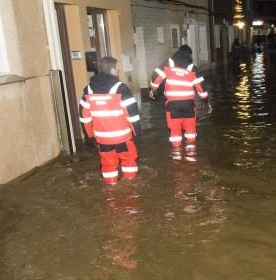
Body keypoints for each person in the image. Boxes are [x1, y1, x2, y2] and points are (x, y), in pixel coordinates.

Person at [79, 56, 141, 184]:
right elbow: (132, 113)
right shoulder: (120, 88)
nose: (118, 71)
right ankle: (131, 189)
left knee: (108, 164)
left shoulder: (88, 89)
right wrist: (137, 133)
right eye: (117, 68)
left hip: (102, 139)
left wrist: (90, 136)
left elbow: (84, 116)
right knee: (128, 161)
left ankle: (111, 190)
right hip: (122, 137)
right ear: (112, 70)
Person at [149, 47, 209, 156]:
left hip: (172, 105)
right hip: (188, 105)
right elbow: (201, 87)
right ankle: (191, 155)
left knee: (175, 131)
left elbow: (155, 76)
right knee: (190, 130)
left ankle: (176, 157)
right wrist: (205, 100)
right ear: (189, 55)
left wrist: (154, 90)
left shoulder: (168, 64)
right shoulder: (192, 67)